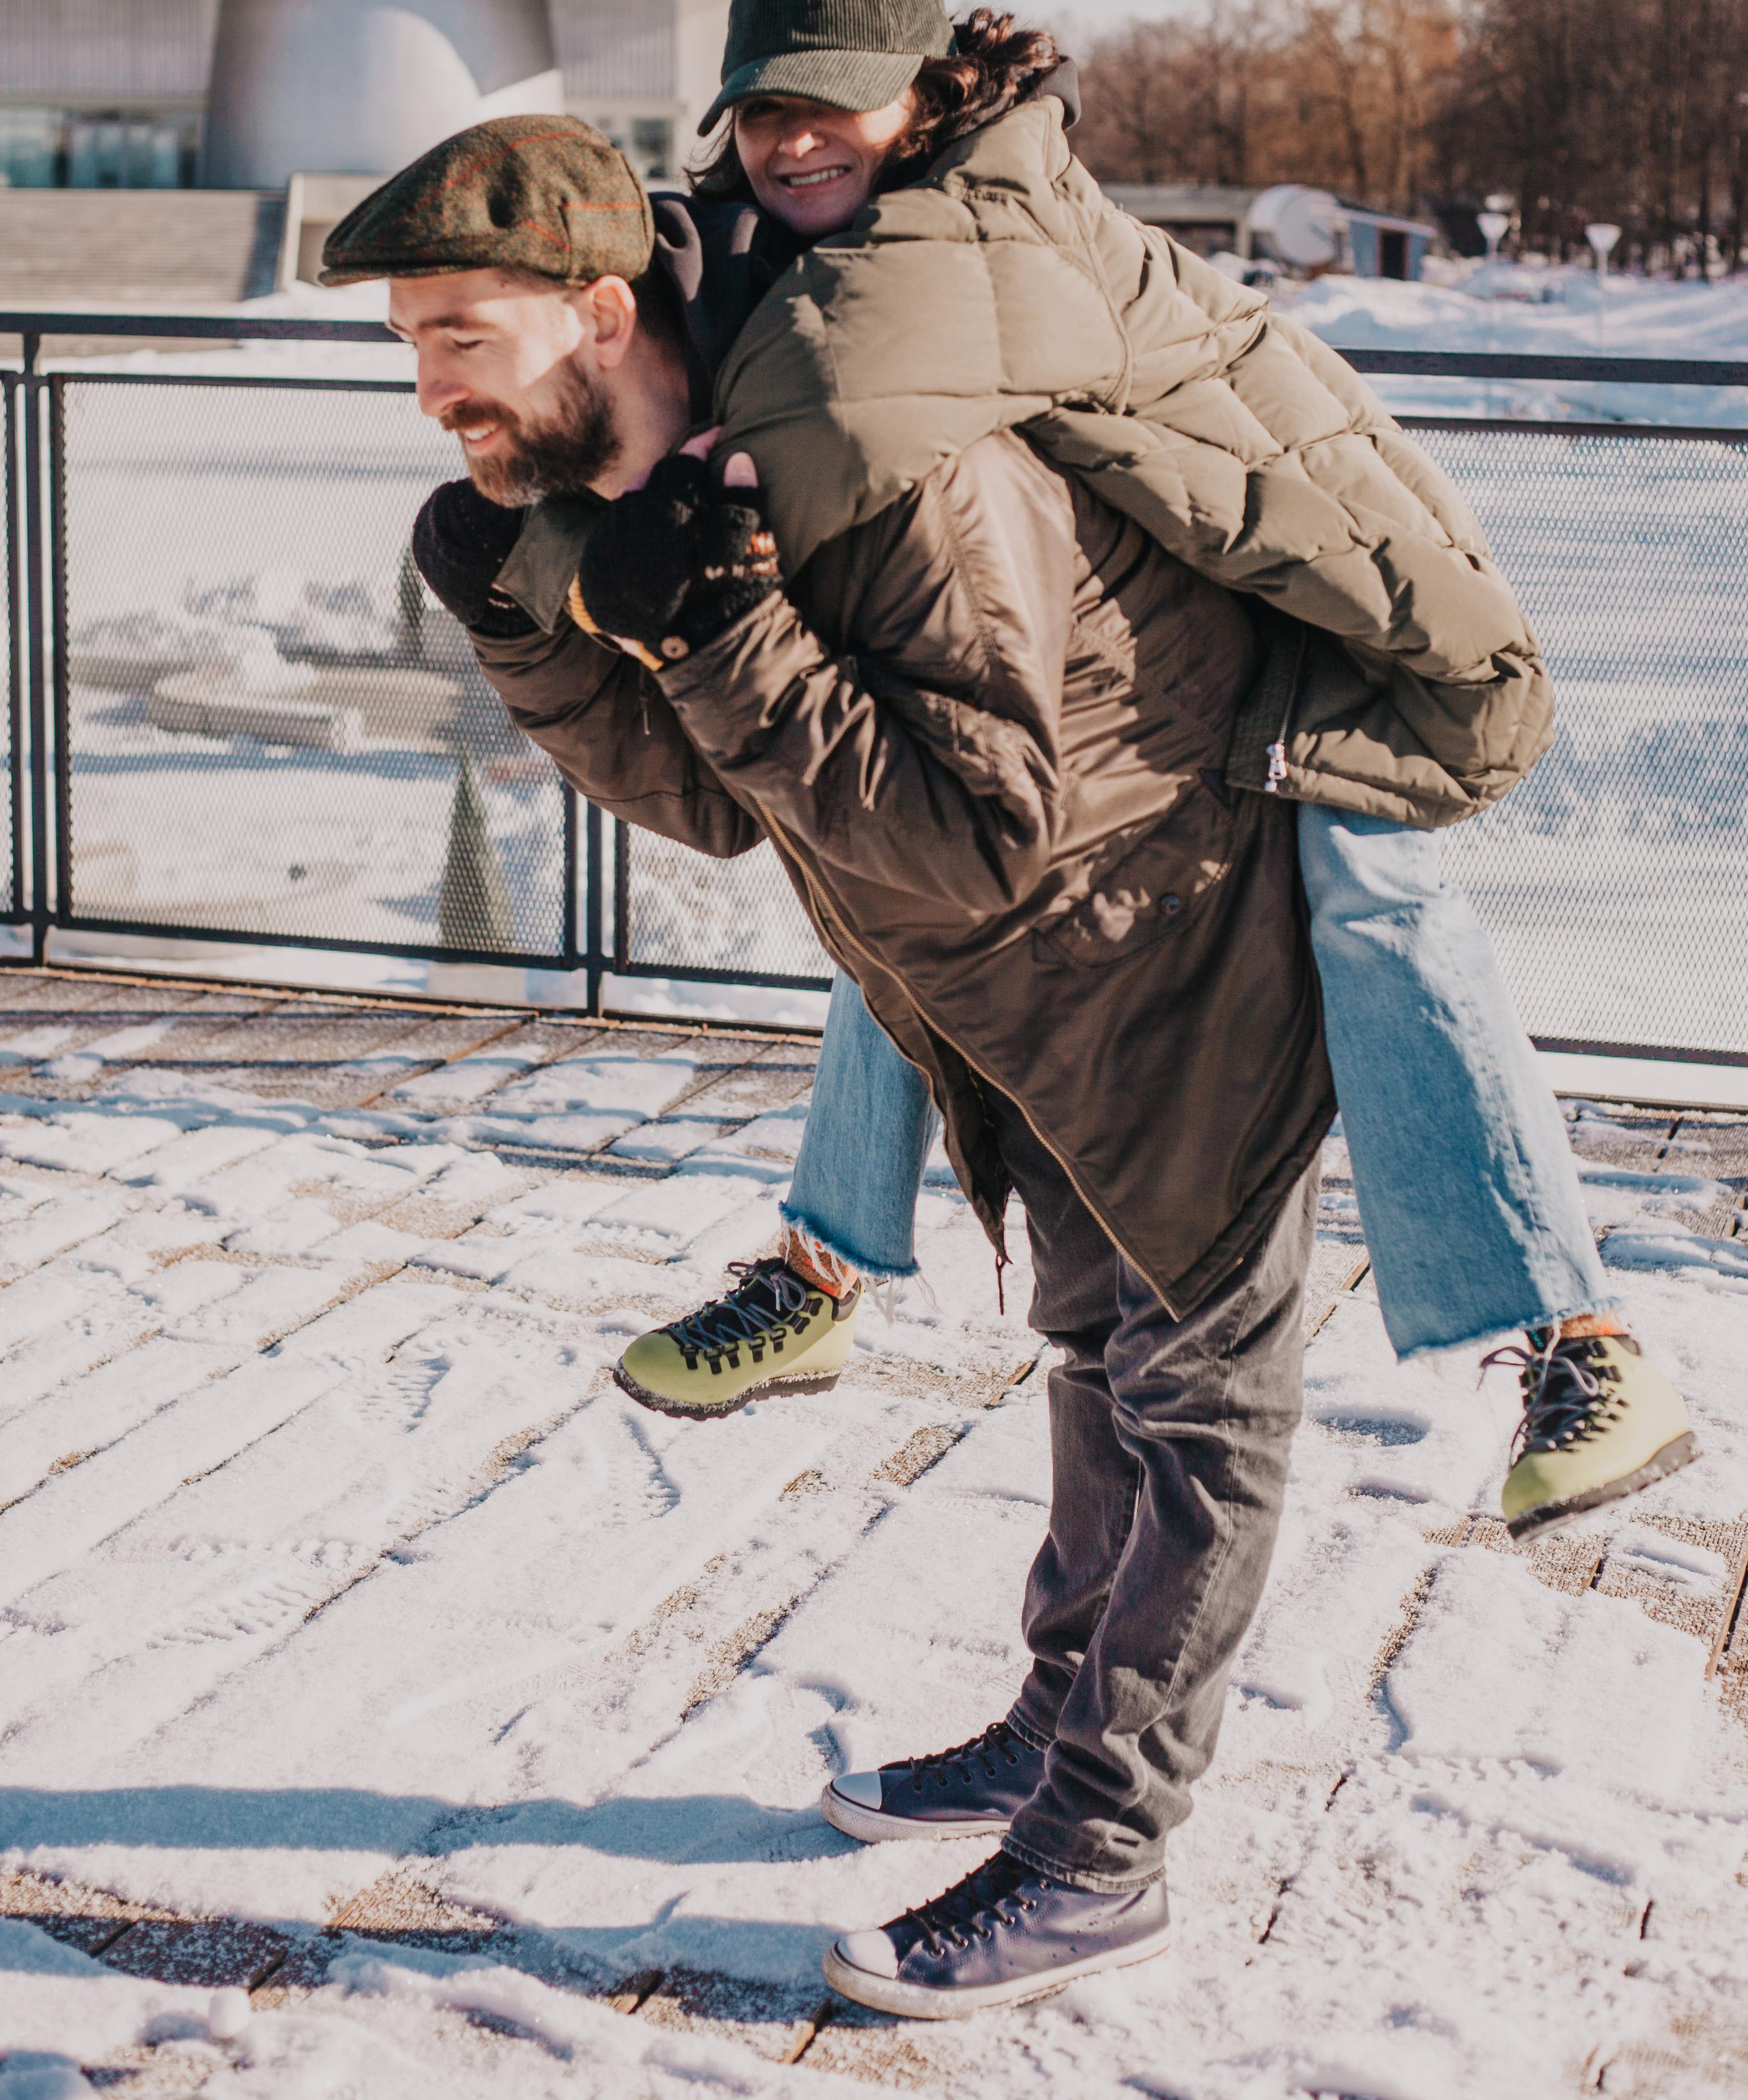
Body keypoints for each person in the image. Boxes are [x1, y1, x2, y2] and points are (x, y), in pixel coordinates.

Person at [367, 0, 1693, 1559]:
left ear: (925, 98)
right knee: (885, 862)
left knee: (1372, 893)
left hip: (1291, 647)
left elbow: (801, 425)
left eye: (832, 108)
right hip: (1124, 640)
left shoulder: (963, 232)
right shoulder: (814, 241)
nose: (792, 140)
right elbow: (703, 345)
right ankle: (825, 1261)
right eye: (761, 110)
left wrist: (560, 559)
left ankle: (1581, 1337)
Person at [325, 108, 1343, 2015]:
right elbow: (719, 810)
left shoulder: (882, 461)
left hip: (1178, 945)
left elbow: (978, 828)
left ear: (596, 308)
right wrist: (533, 629)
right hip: (1019, 994)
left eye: (456, 334)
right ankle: (1059, 1722)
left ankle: (1102, 1857)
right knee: (1098, 1352)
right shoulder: (642, 481)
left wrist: (716, 623)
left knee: (1207, 1400)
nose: (427, 388)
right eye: (406, 344)